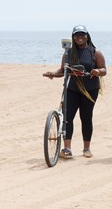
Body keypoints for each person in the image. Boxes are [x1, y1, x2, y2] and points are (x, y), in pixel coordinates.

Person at [43, 25, 106, 159]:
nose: (80, 37)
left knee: (86, 117)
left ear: (87, 36)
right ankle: (67, 149)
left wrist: (97, 71)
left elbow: (104, 70)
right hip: (72, 89)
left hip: (90, 90)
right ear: (73, 37)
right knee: (67, 118)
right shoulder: (68, 53)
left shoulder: (95, 52)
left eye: (82, 34)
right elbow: (63, 71)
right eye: (77, 35)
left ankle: (86, 148)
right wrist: (52, 74)